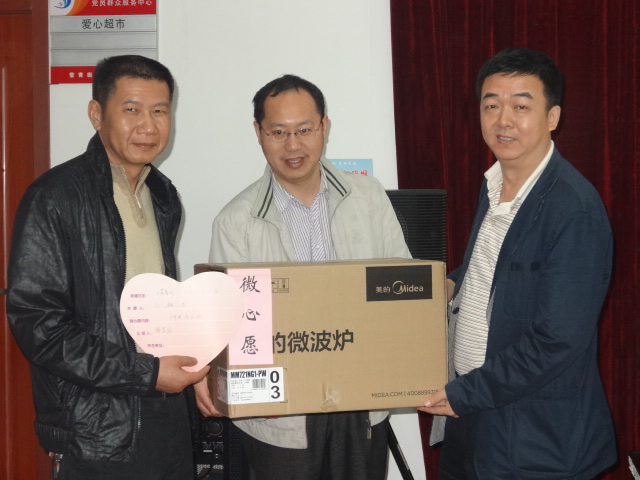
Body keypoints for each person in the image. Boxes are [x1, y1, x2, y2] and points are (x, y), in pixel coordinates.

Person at [195, 74, 411, 479]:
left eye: (304, 130)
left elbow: (402, 293)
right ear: (258, 132)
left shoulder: (369, 199)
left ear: (324, 127)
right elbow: (228, 326)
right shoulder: (235, 221)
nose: (293, 146)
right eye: (278, 132)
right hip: (281, 416)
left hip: (360, 403)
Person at [7, 55, 209, 479]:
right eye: (132, 109)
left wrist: (196, 365)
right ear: (97, 114)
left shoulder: (162, 196)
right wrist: (146, 373)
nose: (148, 126)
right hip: (96, 429)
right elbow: (39, 326)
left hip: (168, 416)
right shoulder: (54, 197)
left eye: (160, 111)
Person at [420, 47, 617, 479]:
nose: (503, 120)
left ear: (553, 117)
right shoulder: (494, 184)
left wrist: (465, 393)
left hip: (532, 437)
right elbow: (503, 268)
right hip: (473, 418)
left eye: (521, 106)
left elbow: (556, 341)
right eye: (491, 105)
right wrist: (454, 282)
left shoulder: (573, 210)